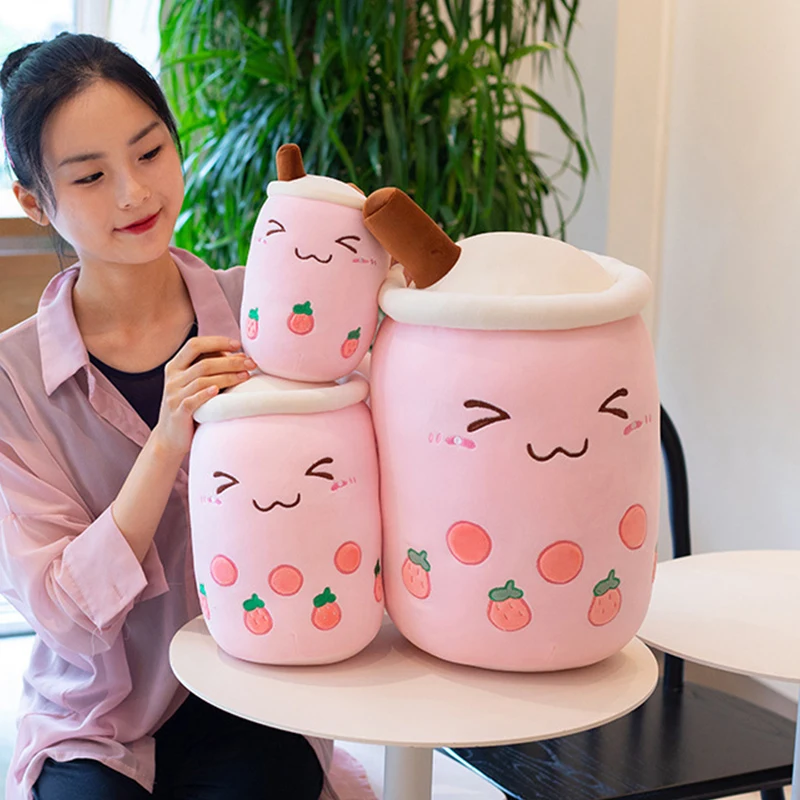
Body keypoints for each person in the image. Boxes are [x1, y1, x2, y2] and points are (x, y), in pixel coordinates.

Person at [0, 32, 329, 799]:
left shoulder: (268, 310)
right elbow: (65, 616)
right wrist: (167, 439)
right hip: (96, 715)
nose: (134, 193)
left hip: (253, 684)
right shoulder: (12, 381)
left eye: (150, 153)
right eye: (90, 176)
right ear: (33, 201)